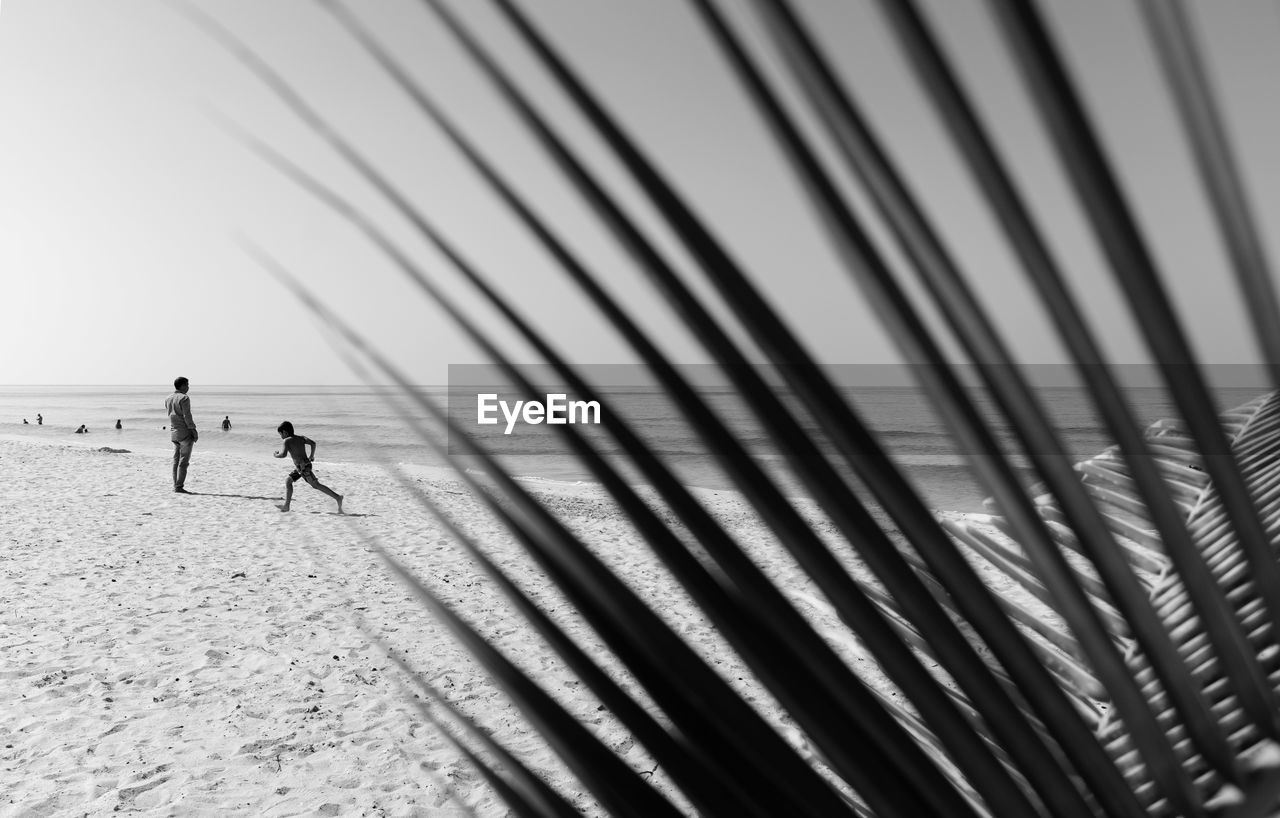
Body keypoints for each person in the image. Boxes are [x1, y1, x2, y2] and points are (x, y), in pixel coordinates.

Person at [274, 421, 343, 513]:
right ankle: (286, 506)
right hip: (303, 466)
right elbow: (313, 444)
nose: (281, 436)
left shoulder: (286, 441)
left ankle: (338, 497)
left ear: (285, 432)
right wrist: (311, 456)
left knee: (316, 485)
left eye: (281, 434)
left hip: (303, 468)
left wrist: (276, 455)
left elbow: (283, 455)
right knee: (288, 481)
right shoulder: (301, 438)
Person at [165, 376, 198, 493]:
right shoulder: (184, 398)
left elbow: (170, 414)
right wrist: (193, 430)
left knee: (176, 460)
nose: (188, 387)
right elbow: (187, 416)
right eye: (187, 385)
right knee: (184, 461)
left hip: (174, 433)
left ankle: (175, 485)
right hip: (184, 432)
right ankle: (179, 486)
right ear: (183, 385)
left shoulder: (168, 398)